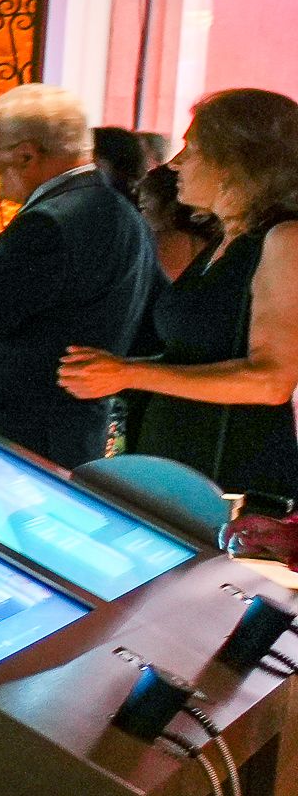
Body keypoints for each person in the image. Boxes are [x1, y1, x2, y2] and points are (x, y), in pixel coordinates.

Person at [60, 86, 298, 500]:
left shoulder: (284, 239)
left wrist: (129, 372)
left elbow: (271, 380)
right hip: (187, 469)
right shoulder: (228, 239)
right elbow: (200, 355)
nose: (175, 164)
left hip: (233, 482)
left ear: (235, 162)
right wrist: (117, 369)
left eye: (191, 149)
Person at [0, 83, 154, 466]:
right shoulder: (123, 214)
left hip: (12, 437)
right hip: (69, 431)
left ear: (26, 154)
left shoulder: (48, 225)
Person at [139, 159, 218, 284]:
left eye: (144, 207)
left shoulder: (153, 245)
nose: (141, 215)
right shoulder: (207, 245)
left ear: (170, 207)